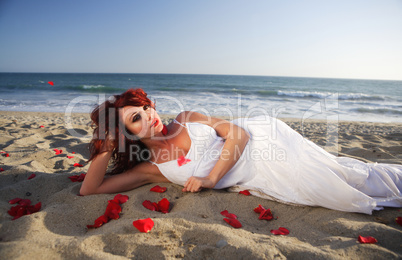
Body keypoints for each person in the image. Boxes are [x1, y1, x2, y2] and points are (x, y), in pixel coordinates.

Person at [80, 88, 402, 214]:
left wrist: (209, 178)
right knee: (337, 186)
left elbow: (238, 135)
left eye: (146, 107)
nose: (150, 115)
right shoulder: (150, 168)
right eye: (137, 118)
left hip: (266, 141)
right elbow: (90, 188)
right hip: (259, 174)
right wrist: (106, 144)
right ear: (127, 134)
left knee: (346, 178)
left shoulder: (185, 118)